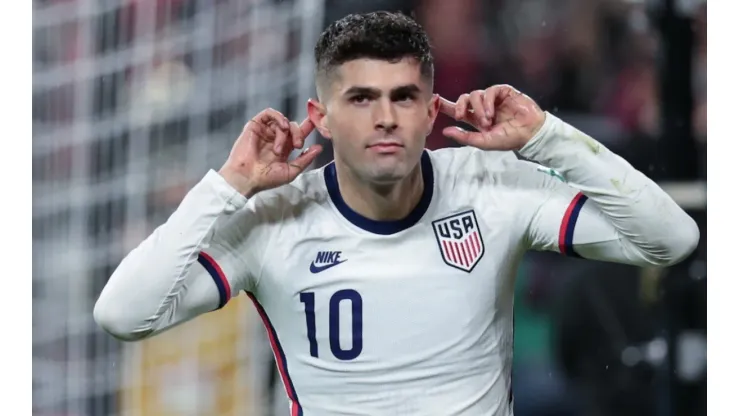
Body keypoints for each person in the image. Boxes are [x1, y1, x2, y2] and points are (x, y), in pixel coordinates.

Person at [94, 11, 699, 416]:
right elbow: (123, 313)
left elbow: (671, 239)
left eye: (404, 96)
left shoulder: (491, 186)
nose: (385, 117)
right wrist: (228, 186)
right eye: (361, 98)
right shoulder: (272, 221)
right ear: (322, 117)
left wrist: (545, 136)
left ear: (430, 111)